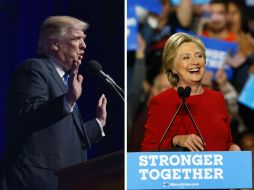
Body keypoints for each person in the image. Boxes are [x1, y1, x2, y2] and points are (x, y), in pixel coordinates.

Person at [0, 16, 107, 190]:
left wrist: (98, 123)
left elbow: (64, 135)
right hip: (36, 181)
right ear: (53, 44)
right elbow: (28, 116)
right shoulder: (34, 69)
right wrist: (68, 100)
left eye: (84, 39)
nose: (83, 45)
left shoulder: (64, 81)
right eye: (76, 39)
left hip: (66, 180)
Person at [141, 32, 240, 152]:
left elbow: (226, 142)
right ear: (173, 67)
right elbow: (147, 151)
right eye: (186, 57)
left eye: (199, 56)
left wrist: (232, 148)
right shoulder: (161, 102)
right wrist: (176, 141)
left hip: (219, 170)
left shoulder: (217, 98)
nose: (195, 62)